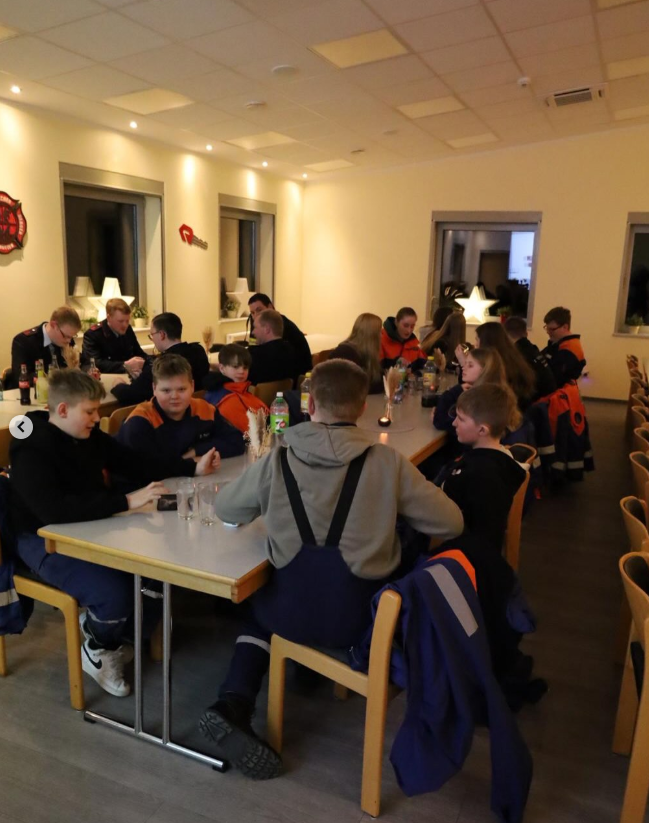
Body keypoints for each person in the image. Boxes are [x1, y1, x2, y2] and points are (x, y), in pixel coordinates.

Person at [197, 359, 464, 778]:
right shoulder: (387, 462)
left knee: (256, 612)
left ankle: (234, 702)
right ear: (361, 407)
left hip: (289, 613)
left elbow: (227, 508)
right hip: (361, 623)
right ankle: (306, 675)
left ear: (310, 404)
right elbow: (451, 523)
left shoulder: (279, 459)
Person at [9, 369, 221, 698]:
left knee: (157, 575)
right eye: (90, 411)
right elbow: (52, 511)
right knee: (114, 593)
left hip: (91, 525)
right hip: (39, 538)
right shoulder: (30, 448)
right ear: (63, 410)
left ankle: (113, 635)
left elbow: (135, 462)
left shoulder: (88, 435)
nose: (97, 418)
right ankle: (98, 644)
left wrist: (191, 468)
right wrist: (125, 502)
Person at [435, 384, 526, 552]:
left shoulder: (481, 476)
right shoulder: (497, 459)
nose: (454, 423)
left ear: (482, 430)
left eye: (461, 419)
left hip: (459, 553)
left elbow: (481, 537)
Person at [118, 355, 245, 467]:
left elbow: (237, 441)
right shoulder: (140, 421)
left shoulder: (204, 409)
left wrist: (196, 451)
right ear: (154, 389)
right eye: (166, 390)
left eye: (182, 389)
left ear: (192, 386)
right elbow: (141, 468)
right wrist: (188, 463)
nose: (175, 396)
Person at [111, 312, 209, 406]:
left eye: (152, 335)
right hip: (198, 407)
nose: (152, 339)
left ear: (162, 335)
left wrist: (118, 385)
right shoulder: (198, 350)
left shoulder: (161, 364)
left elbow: (130, 396)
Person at [433, 348, 507, 435]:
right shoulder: (477, 391)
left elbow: (440, 422)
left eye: (470, 365)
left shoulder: (481, 400)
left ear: (485, 371)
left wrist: (453, 392)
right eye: (465, 363)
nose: (464, 367)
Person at [203, 344, 268, 432]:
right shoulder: (227, 400)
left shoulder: (240, 391)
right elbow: (250, 433)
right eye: (235, 367)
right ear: (222, 368)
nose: (241, 371)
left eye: (245, 368)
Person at [10, 306, 81, 386]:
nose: (69, 341)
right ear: (54, 325)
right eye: (66, 336)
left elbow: (81, 363)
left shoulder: (66, 338)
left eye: (72, 336)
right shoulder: (24, 341)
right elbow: (21, 376)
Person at [247, 293, 312, 378]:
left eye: (259, 310)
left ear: (270, 307)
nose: (256, 315)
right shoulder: (261, 323)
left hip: (296, 375)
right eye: (252, 313)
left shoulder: (281, 326)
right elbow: (252, 345)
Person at [473, 322, 537, 408]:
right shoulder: (512, 357)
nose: (475, 344)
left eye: (477, 340)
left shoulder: (498, 365)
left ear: (486, 342)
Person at [82, 298, 147, 376]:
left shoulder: (128, 329)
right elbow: (95, 364)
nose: (125, 325)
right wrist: (125, 365)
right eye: (120, 321)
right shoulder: (93, 334)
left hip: (128, 377)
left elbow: (139, 353)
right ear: (109, 318)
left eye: (127, 321)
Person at [503, 316, 556, 399]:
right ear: (526, 333)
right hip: (549, 398)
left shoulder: (518, 354)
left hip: (537, 402)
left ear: (506, 335)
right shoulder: (533, 348)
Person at [248, 309, 297, 385]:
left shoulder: (256, 354)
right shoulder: (292, 351)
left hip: (256, 392)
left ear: (267, 329)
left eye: (255, 327)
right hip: (283, 392)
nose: (253, 332)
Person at [540, 306, 586, 388]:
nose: (547, 332)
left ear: (565, 327)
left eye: (552, 329)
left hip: (557, 394)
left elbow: (553, 379)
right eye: (546, 328)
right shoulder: (558, 343)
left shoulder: (570, 349)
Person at [340, 312, 383, 393]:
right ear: (371, 335)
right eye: (379, 332)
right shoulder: (346, 353)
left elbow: (376, 380)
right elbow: (357, 387)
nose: (381, 336)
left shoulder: (365, 352)